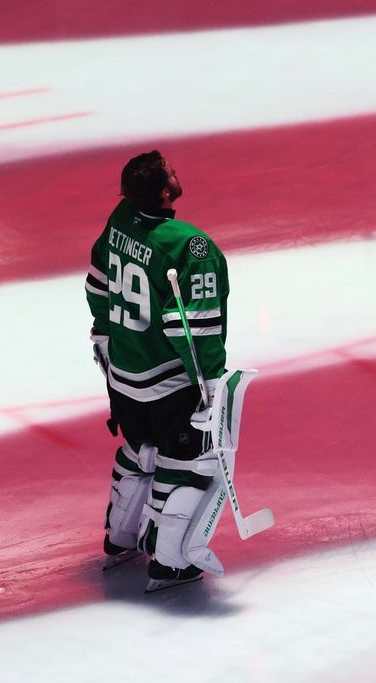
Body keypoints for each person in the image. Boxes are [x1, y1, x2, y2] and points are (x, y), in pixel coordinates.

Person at [84, 150, 230, 592]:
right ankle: (170, 562)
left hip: (124, 373)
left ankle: (120, 538)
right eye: (171, 171)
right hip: (167, 379)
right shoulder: (190, 245)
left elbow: (97, 286)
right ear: (166, 191)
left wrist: (106, 339)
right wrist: (209, 382)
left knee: (138, 447)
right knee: (186, 460)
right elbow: (194, 326)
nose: (175, 170)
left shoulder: (121, 219)